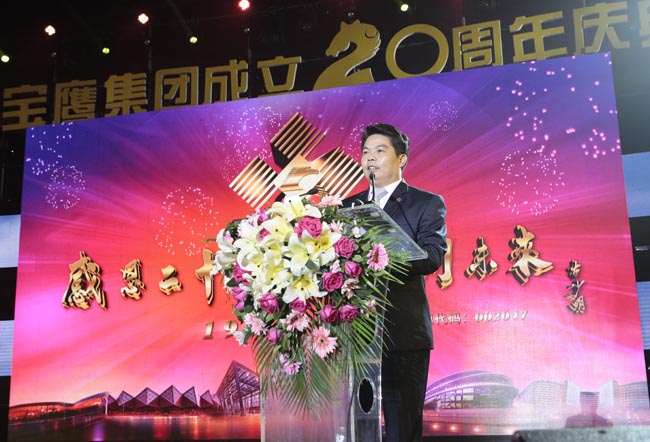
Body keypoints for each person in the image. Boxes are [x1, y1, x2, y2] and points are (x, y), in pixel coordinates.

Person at [343, 123, 447, 441]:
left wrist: (379, 257)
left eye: (380, 151)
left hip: (403, 334)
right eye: (365, 152)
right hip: (355, 335)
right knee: (357, 427)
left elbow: (432, 256)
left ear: (401, 159)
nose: (370, 158)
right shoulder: (347, 207)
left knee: (402, 428)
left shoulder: (425, 203)